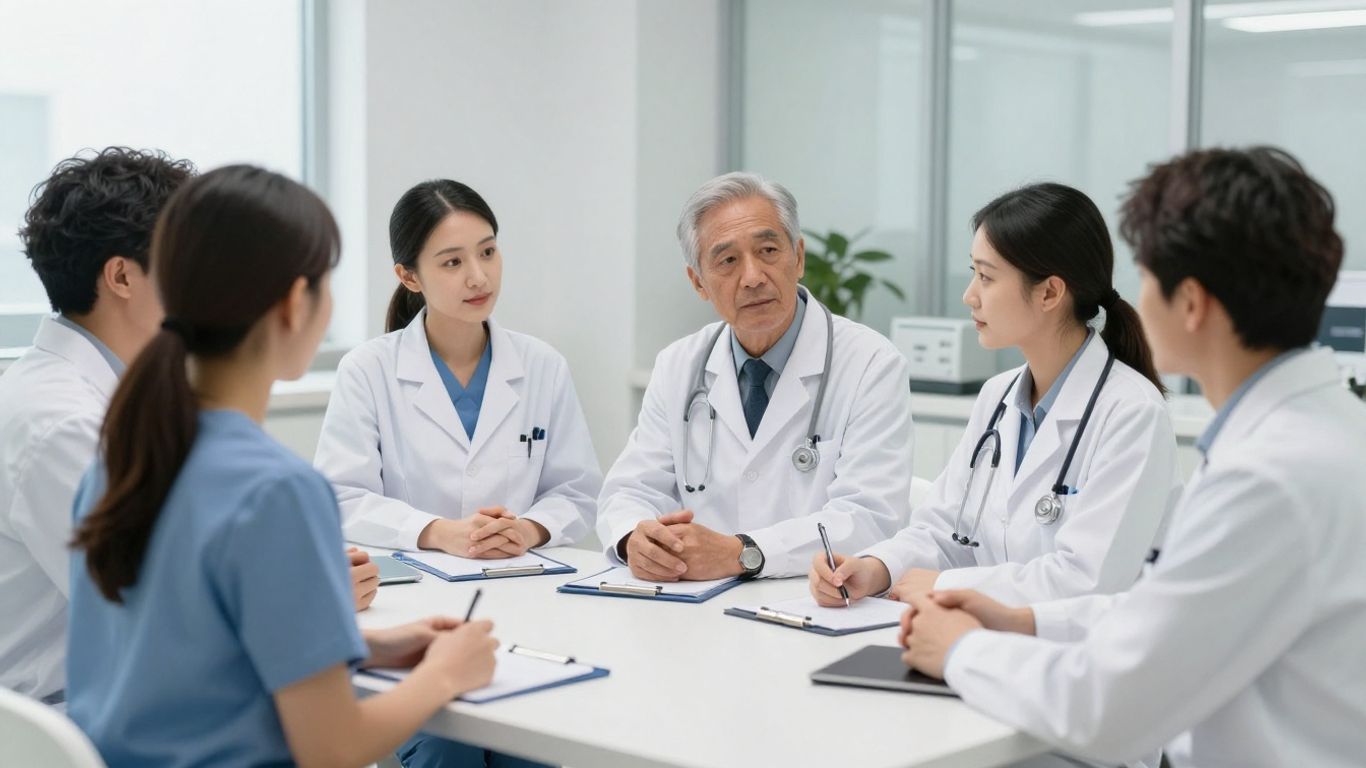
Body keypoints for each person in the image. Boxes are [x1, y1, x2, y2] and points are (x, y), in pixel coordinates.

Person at [899, 147, 1366, 767]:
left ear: (1192, 303)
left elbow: (1104, 710)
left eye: (1147, 276)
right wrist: (1024, 621)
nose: (1133, 298)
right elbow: (1168, 610)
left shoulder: (1271, 476)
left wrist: (962, 650)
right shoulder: (1313, 433)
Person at [65, 165, 499, 767]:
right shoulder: (277, 491)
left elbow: (182, 655)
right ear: (297, 303)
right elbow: (333, 748)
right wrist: (445, 674)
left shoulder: (124, 459)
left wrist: (367, 647)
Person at [810, 183, 1180, 607]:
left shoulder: (1132, 413)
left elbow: (1088, 581)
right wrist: (875, 568)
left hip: (1084, 658)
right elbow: (944, 530)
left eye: (985, 276)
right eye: (973, 272)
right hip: (986, 642)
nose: (970, 295)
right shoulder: (997, 398)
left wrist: (948, 587)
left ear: (1050, 293)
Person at [597, 171, 911, 581]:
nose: (752, 277)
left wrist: (743, 553)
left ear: (798, 257)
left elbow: (869, 517)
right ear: (698, 282)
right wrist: (635, 539)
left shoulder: (871, 363)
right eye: (727, 260)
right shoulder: (679, 365)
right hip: (694, 605)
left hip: (816, 602)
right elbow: (629, 491)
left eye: (767, 250)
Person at [315, 179, 600, 560]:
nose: (479, 277)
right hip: (416, 587)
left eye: (487, 252)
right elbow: (342, 497)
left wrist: (528, 530)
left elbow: (576, 492)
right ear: (409, 277)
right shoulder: (367, 370)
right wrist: (437, 532)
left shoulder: (543, 366)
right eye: (453, 262)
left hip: (522, 579)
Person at [0, 148, 192, 705]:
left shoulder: (113, 390)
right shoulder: (61, 424)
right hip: (71, 720)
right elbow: (155, 609)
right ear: (122, 276)